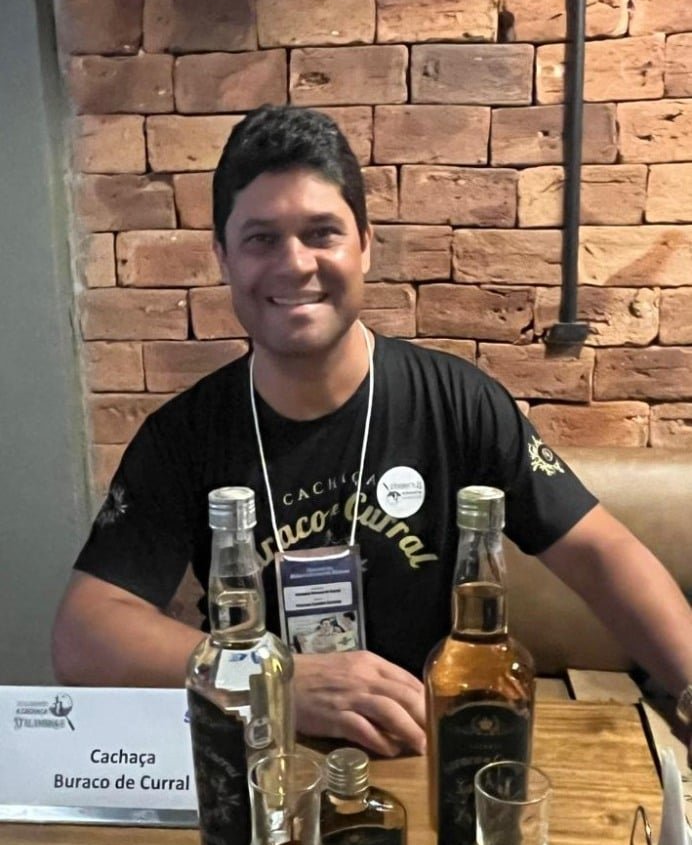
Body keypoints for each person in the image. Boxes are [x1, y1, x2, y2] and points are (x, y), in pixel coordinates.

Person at [52, 105, 692, 759]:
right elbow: (85, 634)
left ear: (365, 243)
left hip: (418, 753)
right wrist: (278, 680)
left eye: (321, 232)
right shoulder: (184, 436)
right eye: (260, 239)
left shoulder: (457, 403)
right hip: (263, 765)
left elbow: (601, 554)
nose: (294, 264)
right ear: (222, 257)